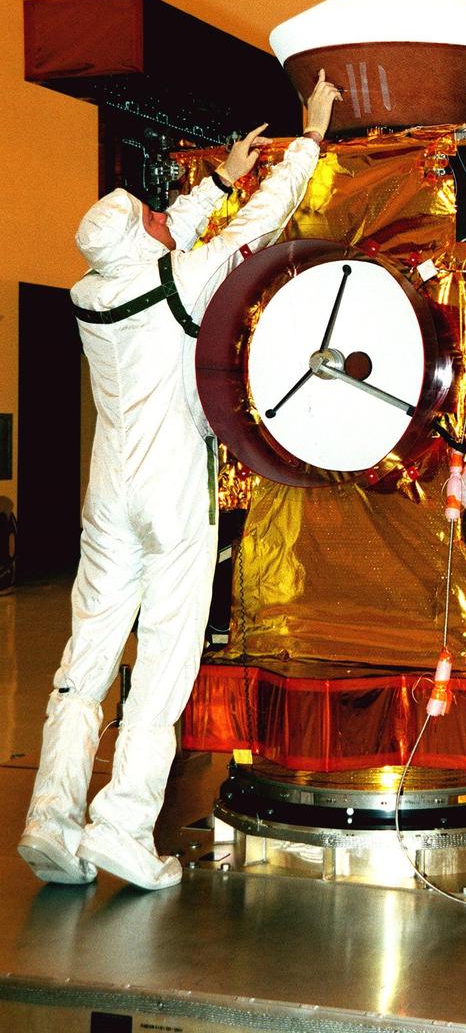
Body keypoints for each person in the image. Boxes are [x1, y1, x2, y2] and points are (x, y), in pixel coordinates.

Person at [18, 71, 342, 891]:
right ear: (143, 240)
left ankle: (51, 821)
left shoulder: (91, 293)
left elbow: (160, 237)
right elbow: (262, 224)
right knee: (164, 660)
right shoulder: (180, 281)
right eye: (153, 217)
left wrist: (217, 181)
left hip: (107, 491)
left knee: (84, 657)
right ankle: (123, 825)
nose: (165, 219)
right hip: (169, 491)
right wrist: (307, 139)